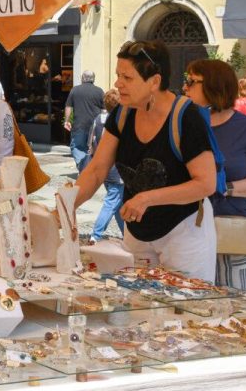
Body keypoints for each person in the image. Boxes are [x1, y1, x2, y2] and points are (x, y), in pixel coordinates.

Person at [75, 40, 217, 281]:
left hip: (184, 231)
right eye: (118, 75)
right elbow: (97, 169)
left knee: (183, 307)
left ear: (154, 81)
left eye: (127, 78)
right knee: (137, 308)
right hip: (138, 232)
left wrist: (147, 198)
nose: (118, 83)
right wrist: (66, 206)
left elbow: (205, 184)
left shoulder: (187, 117)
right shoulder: (122, 113)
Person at [184, 59, 246, 291]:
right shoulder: (184, 125)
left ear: (214, 85)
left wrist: (225, 187)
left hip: (230, 228)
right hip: (186, 230)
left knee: (235, 306)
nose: (185, 87)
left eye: (191, 81)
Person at [88, 88, 125, 242]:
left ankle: (127, 235)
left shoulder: (97, 119)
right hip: (117, 171)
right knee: (112, 203)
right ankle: (95, 235)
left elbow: (90, 143)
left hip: (104, 169)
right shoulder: (121, 122)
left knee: (117, 204)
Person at [65, 70, 104, 172]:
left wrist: (67, 121)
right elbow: (104, 110)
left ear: (82, 78)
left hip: (79, 125)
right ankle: (89, 168)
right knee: (94, 148)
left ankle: (83, 167)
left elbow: (69, 107)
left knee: (77, 147)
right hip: (95, 126)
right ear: (93, 79)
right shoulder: (99, 91)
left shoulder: (75, 90)